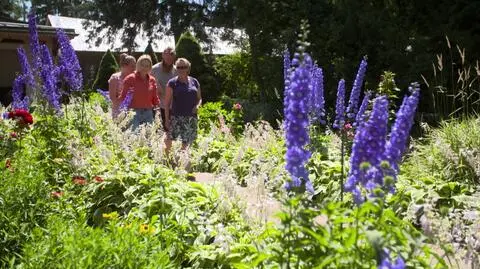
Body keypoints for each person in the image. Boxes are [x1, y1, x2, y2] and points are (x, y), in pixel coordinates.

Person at [164, 58, 202, 155]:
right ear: (176, 68)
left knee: (186, 143)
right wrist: (167, 120)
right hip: (176, 117)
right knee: (169, 140)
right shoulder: (172, 83)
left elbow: (199, 98)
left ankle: (182, 163)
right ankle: (166, 161)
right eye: (179, 67)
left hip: (191, 117)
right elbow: (167, 103)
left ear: (188, 68)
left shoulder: (195, 81)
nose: (181, 69)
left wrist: (198, 106)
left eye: (184, 67)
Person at [119, 54, 160, 130]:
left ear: (150, 67)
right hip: (134, 112)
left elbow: (155, 97)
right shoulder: (130, 78)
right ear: (138, 65)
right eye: (142, 65)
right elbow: (123, 97)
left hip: (148, 112)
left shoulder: (152, 80)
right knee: (134, 137)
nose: (144, 68)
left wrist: (158, 110)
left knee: (148, 137)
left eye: (147, 66)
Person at [151, 46, 177, 131]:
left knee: (171, 132)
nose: (169, 56)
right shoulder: (154, 69)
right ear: (162, 55)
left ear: (174, 56)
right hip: (158, 106)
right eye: (166, 53)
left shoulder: (177, 70)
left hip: (172, 107)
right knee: (158, 131)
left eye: (171, 54)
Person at [108, 53, 136, 118]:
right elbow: (112, 97)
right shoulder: (115, 77)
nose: (134, 68)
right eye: (132, 66)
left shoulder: (136, 78)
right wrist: (123, 107)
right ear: (124, 66)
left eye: (135, 66)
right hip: (119, 111)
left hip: (134, 111)